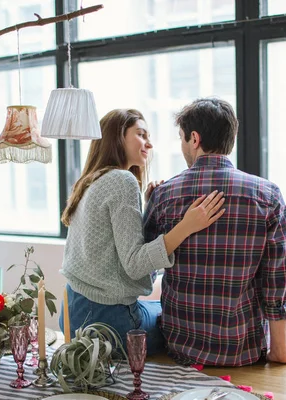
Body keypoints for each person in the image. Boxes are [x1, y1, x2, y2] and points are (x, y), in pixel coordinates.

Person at [143, 98, 286, 366]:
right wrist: (279, 351)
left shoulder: (164, 194)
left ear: (194, 138)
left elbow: (144, 267)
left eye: (181, 137)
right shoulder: (268, 196)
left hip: (181, 349)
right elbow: (276, 281)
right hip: (242, 350)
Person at [58, 108, 225, 355]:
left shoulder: (92, 180)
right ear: (117, 136)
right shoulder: (122, 181)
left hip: (72, 314)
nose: (149, 143)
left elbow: (115, 245)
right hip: (107, 325)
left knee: (157, 307)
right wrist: (187, 226)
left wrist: (147, 208)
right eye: (141, 134)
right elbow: (134, 264)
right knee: (180, 323)